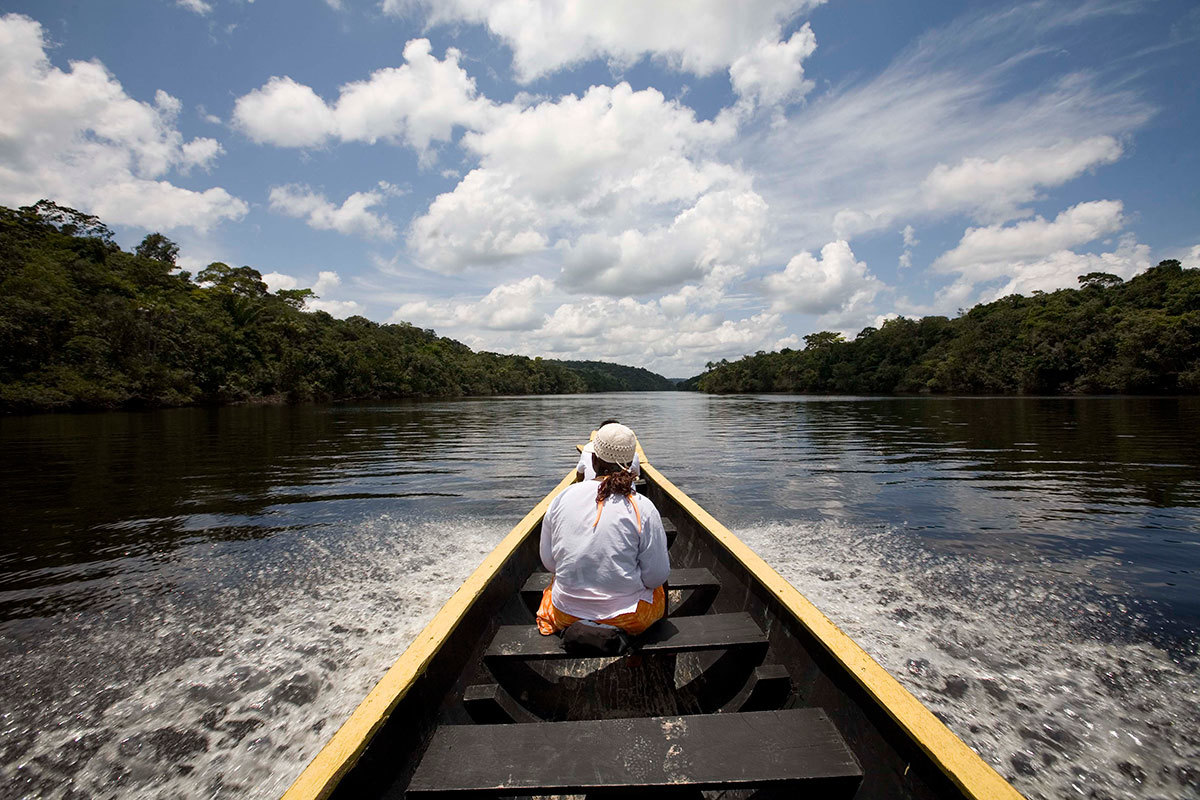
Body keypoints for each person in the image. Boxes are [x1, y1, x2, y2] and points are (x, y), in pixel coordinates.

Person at [538, 423, 669, 636]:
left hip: (566, 614)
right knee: (662, 585)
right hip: (628, 619)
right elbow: (656, 577)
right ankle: (650, 653)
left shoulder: (561, 498)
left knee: (554, 585)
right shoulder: (642, 506)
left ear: (593, 459)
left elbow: (549, 563)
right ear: (631, 464)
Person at [575, 418, 641, 481]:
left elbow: (580, 475)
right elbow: (636, 475)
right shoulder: (633, 455)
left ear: (594, 459)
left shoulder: (586, 453)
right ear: (630, 463)